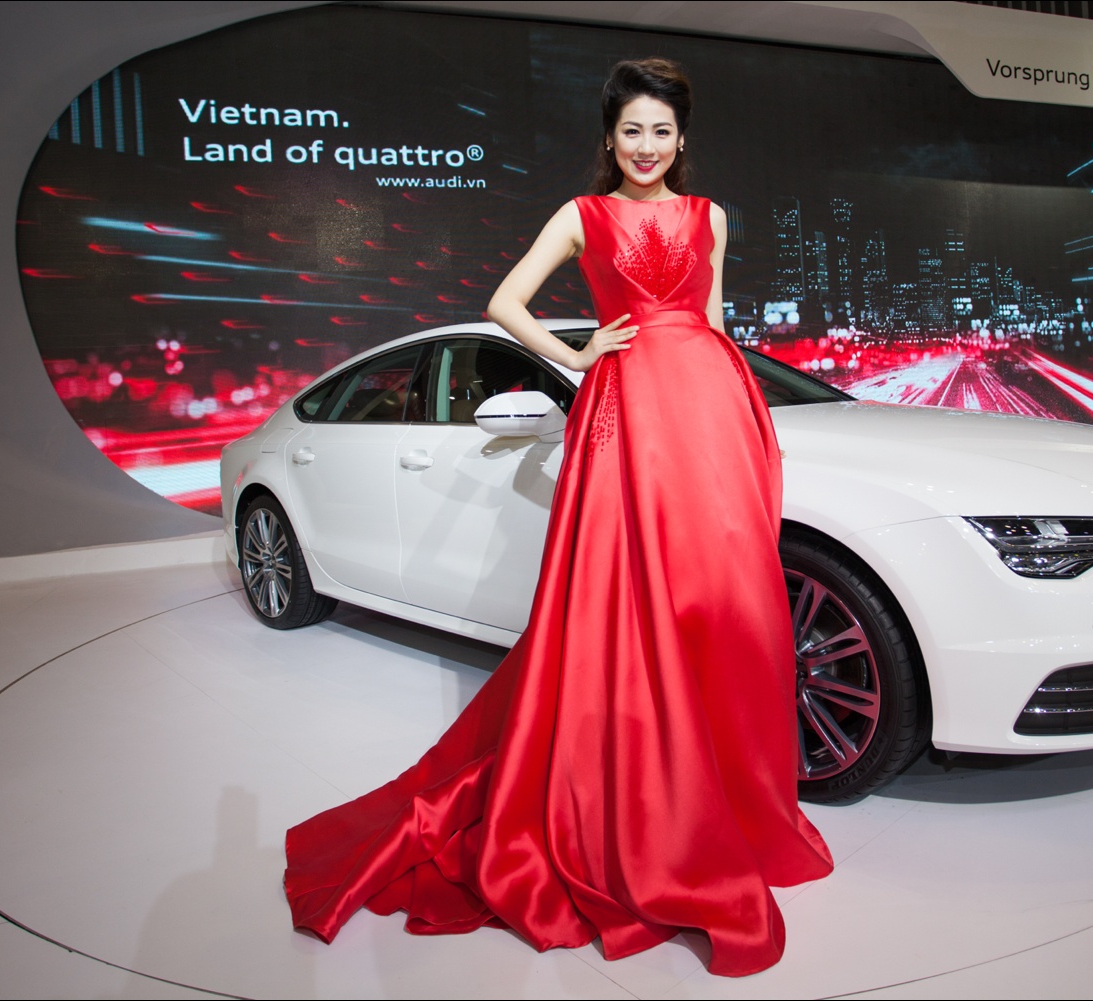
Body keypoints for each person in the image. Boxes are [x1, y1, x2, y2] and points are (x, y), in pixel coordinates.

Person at [282, 57, 833, 978]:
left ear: (682, 139)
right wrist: (576, 356)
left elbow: (713, 319)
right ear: (610, 138)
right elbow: (503, 302)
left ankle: (729, 799)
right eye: (632, 131)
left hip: (712, 409)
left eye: (662, 132)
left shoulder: (710, 217)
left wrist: (743, 410)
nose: (647, 147)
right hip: (629, 414)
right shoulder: (583, 215)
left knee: (726, 604)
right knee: (634, 604)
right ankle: (652, 807)